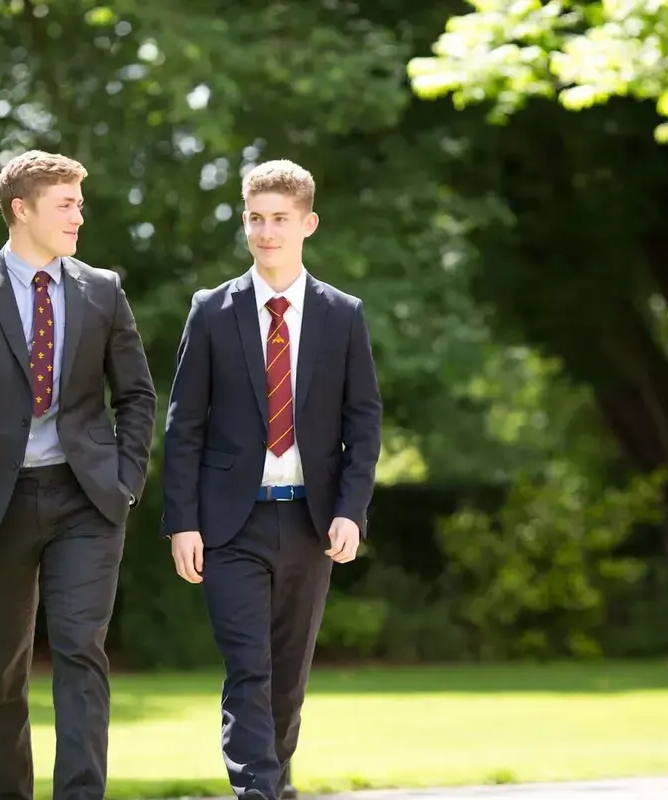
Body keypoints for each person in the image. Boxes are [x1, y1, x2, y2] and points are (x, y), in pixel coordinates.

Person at [162, 159, 382, 800]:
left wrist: (351, 510)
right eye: (255, 219)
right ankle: (257, 793)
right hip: (231, 523)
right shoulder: (211, 310)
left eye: (279, 219)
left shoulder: (342, 315)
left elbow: (362, 423)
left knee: (287, 678)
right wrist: (182, 521)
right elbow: (185, 426)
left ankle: (274, 785)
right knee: (248, 671)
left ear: (308, 223)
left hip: (312, 523)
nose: (265, 232)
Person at [0, 150, 157, 800]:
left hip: (85, 500)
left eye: (79, 203)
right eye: (66, 204)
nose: (79, 216)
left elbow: (138, 396)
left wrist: (124, 481)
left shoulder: (101, 291)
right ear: (22, 209)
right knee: (1, 674)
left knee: (78, 653)